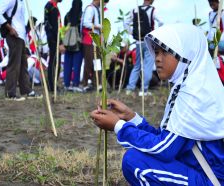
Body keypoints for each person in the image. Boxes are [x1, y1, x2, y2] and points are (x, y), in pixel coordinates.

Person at [90, 23, 224, 185]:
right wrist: (131, 117)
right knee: (137, 158)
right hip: (198, 170)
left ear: (185, 53)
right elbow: (167, 139)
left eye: (165, 52)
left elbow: (164, 149)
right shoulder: (192, 85)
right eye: (156, 52)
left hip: (210, 180)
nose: (158, 58)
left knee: (136, 162)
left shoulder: (194, 93)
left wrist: (118, 126)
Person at [0, 0, 42, 101]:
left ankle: (27, 90)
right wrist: (10, 28)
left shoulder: (21, 2)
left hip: (21, 37)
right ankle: (10, 94)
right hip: (14, 36)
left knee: (23, 65)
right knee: (14, 65)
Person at [124, 0, 163, 96]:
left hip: (138, 42)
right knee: (147, 66)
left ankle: (130, 88)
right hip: (149, 41)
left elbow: (125, 22)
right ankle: (143, 90)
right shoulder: (153, 10)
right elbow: (161, 22)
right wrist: (156, 34)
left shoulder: (135, 10)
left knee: (137, 65)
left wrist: (132, 33)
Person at [44, 0, 65, 92]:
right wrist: (59, 43)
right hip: (54, 40)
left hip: (53, 38)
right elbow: (55, 28)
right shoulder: (52, 7)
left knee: (55, 62)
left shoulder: (51, 6)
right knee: (54, 63)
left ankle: (53, 85)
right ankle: (52, 87)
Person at [81, 0, 102, 92]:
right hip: (89, 40)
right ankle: (85, 84)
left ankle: (97, 83)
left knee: (97, 61)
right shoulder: (90, 9)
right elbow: (86, 23)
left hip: (96, 40)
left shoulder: (96, 9)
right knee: (88, 62)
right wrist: (98, 26)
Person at [63, 0, 83, 93]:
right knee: (77, 65)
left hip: (67, 44)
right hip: (78, 45)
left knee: (67, 65)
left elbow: (64, 29)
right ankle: (75, 84)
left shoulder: (67, 16)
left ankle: (66, 84)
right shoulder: (81, 16)